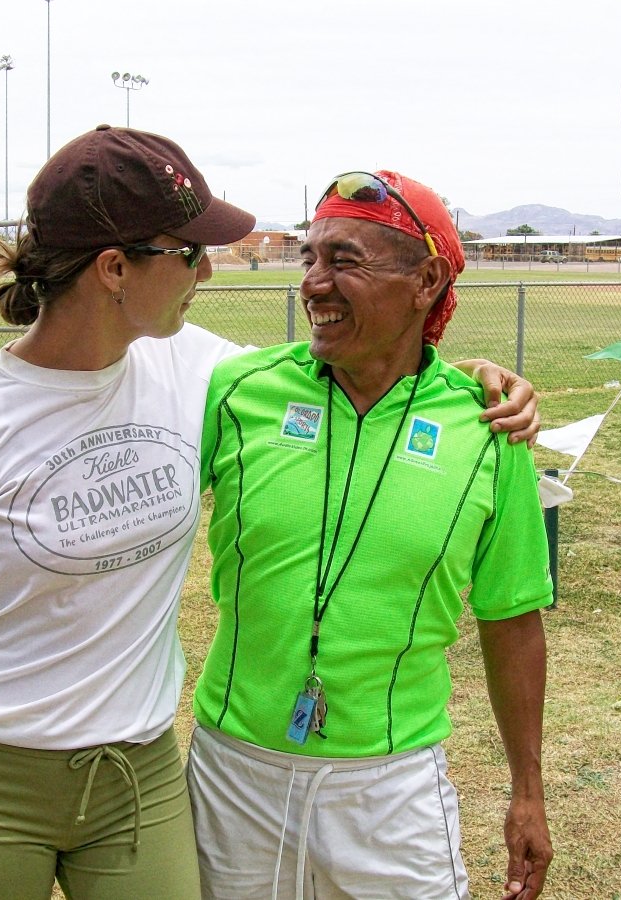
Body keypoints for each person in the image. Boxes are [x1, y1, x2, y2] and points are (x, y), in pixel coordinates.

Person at [0, 126, 539, 900]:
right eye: (190, 252)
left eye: (339, 260)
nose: (306, 280)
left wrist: (473, 378)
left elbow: (379, 374)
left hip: (223, 773)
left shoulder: (214, 374)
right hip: (69, 766)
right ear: (115, 268)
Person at [186, 170, 554, 900]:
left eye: (345, 261)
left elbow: (511, 618)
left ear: (426, 281)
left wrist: (528, 789)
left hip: (391, 790)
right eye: (309, 258)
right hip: (232, 773)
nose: (315, 284)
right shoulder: (234, 392)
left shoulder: (487, 429)